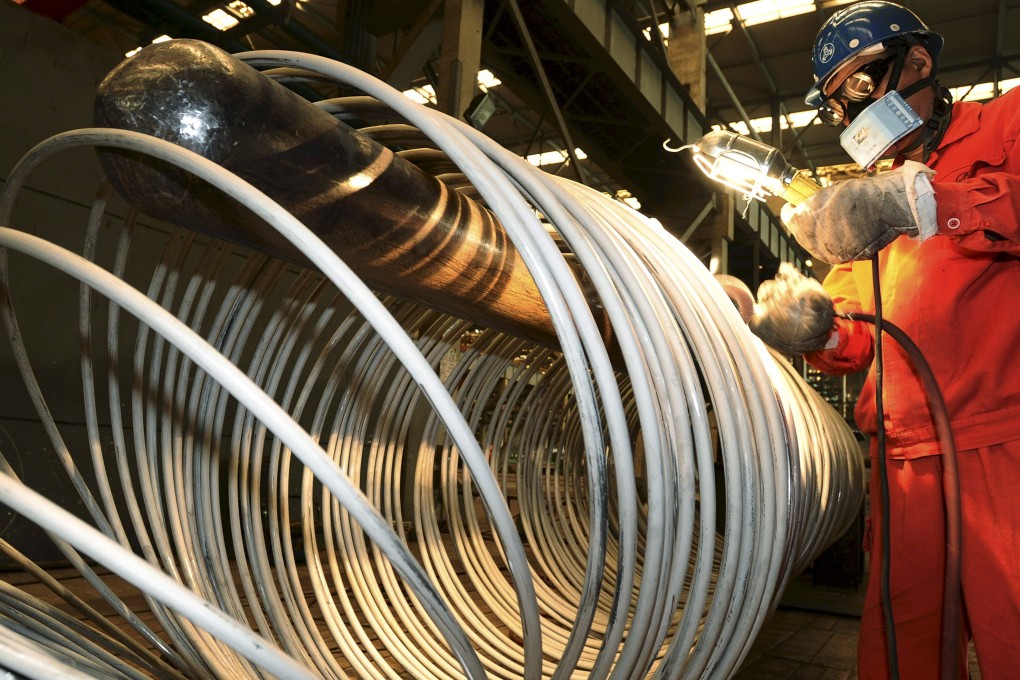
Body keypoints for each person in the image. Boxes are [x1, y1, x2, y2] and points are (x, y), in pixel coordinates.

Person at [749, 2, 1020, 679]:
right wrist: (813, 327)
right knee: (903, 651)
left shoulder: (1008, 122)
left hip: (1004, 444)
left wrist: (932, 201)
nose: (853, 114)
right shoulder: (867, 208)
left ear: (919, 63)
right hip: (903, 463)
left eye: (861, 87)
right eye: (841, 102)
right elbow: (853, 335)